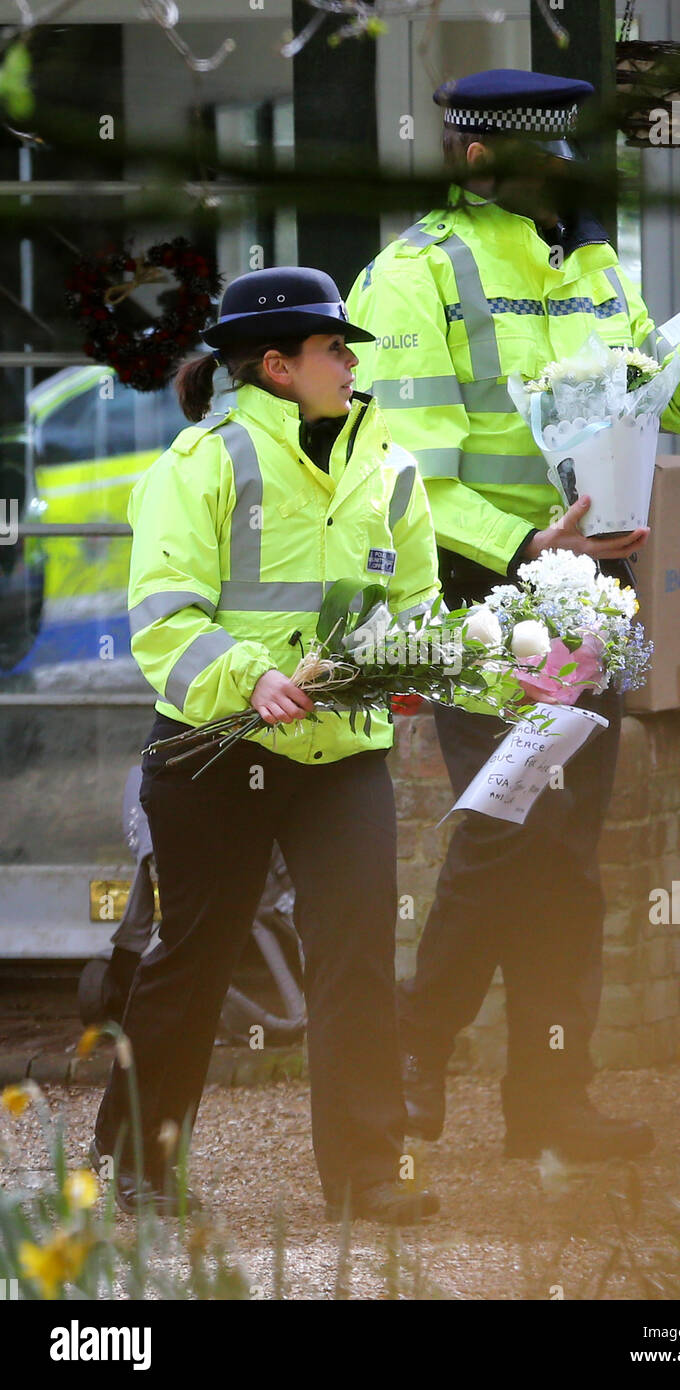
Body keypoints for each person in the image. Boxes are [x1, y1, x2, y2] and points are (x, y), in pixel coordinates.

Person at [346, 68, 680, 1160]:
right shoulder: (409, 277)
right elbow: (401, 470)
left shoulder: (590, 263)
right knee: (501, 831)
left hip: (592, 595)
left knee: (567, 851)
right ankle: (415, 1045)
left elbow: (658, 394)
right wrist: (526, 543)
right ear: (479, 159)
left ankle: (548, 1098)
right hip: (485, 595)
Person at [92, 266, 442, 1224]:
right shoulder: (200, 463)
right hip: (216, 749)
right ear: (278, 366)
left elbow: (415, 600)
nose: (351, 361)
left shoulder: (390, 466)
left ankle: (368, 1175)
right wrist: (249, 676)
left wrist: (417, 664)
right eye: (336, 347)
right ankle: (140, 1165)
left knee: (359, 955)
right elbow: (161, 617)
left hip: (343, 756)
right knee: (194, 955)